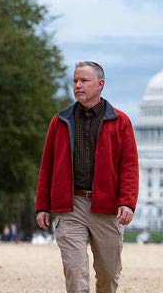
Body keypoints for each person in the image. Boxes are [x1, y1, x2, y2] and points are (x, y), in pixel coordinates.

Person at [35, 61, 139, 293]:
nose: (78, 85)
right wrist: (42, 206)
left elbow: (129, 166)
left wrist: (127, 202)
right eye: (75, 81)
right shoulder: (60, 121)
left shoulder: (121, 122)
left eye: (84, 81)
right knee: (75, 271)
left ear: (100, 84)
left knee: (108, 274)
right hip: (71, 205)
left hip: (107, 206)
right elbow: (47, 167)